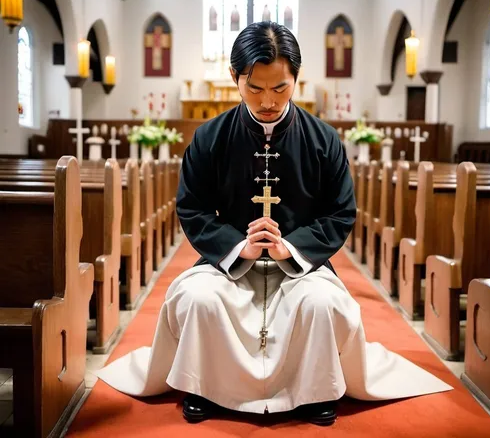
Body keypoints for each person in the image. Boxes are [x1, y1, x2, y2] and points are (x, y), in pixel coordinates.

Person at [97, 22, 452, 426]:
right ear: (235, 77)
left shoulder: (324, 140)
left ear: (296, 78)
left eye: (281, 88)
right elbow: (191, 207)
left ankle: (316, 390)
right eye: (255, 88)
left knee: (320, 303)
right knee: (198, 299)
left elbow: (340, 212)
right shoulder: (209, 138)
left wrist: (291, 248)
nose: (268, 101)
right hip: (228, 261)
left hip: (302, 263)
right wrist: (237, 247)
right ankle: (205, 386)